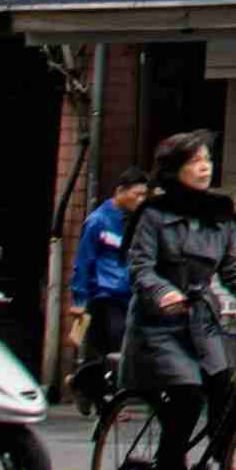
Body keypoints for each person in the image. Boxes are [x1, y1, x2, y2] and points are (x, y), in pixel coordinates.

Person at [124, 131, 236, 470]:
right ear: (176, 169)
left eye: (207, 159)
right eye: (195, 161)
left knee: (225, 386)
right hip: (158, 323)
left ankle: (223, 451)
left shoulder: (221, 217)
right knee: (187, 394)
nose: (204, 166)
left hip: (201, 318)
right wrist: (163, 293)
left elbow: (233, 274)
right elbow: (140, 267)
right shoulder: (154, 215)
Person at [64, 165, 146, 399]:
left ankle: (82, 383)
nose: (140, 200)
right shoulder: (98, 221)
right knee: (113, 348)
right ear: (120, 191)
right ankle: (107, 399)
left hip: (128, 295)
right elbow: (83, 261)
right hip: (103, 295)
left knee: (102, 352)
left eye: (144, 195)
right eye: (137, 194)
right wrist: (79, 299)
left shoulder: (134, 223)